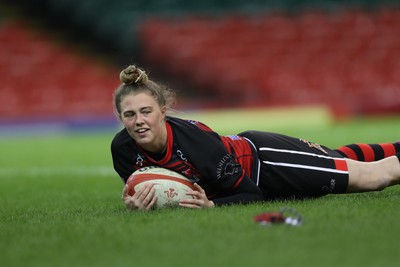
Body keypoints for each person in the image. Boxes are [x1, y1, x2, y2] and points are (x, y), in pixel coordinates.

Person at [111, 65, 400, 210]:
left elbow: (251, 193)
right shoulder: (122, 149)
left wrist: (212, 206)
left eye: (146, 111)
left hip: (268, 162)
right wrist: (136, 202)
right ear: (120, 117)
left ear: (163, 112)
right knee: (338, 158)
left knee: (373, 178)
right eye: (130, 115)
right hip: (257, 162)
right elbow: (146, 187)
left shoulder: (195, 143)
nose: (139, 122)